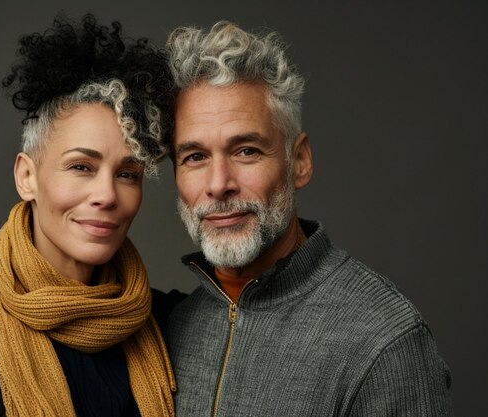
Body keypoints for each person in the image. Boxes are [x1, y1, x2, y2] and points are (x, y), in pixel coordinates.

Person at [0, 14, 177, 417]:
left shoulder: (168, 324)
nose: (107, 195)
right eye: (81, 167)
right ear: (26, 176)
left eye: (127, 174)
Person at [163, 21, 454, 416]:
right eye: (195, 157)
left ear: (299, 161)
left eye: (246, 150)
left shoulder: (385, 340)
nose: (219, 185)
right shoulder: (170, 329)